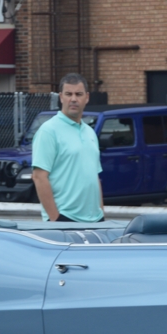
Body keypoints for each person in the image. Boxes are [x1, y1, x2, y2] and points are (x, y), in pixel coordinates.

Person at [32, 73, 103, 222]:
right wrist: (55, 220)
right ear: (61, 97)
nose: (73, 99)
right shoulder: (48, 131)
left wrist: (101, 212)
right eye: (68, 94)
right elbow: (39, 177)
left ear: (87, 97)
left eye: (78, 94)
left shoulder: (90, 132)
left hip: (95, 220)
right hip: (65, 220)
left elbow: (94, 177)